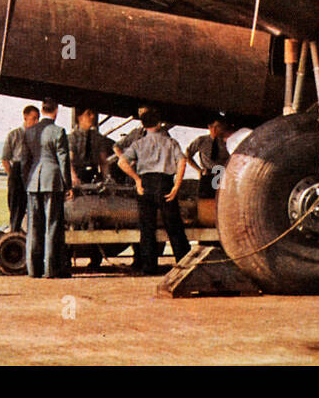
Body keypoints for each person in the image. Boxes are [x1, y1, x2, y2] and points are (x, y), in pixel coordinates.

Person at [116, 107, 190, 275]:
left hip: (146, 184)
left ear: (143, 124)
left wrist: (137, 179)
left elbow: (121, 162)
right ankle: (184, 265)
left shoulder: (138, 144)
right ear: (159, 123)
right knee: (174, 227)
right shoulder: (170, 142)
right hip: (164, 184)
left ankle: (149, 267)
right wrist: (176, 186)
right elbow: (182, 161)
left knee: (147, 228)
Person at [21, 98, 72, 278]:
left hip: (33, 181)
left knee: (34, 226)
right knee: (53, 225)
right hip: (53, 180)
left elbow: (24, 161)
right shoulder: (59, 131)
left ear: (42, 110)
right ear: (56, 110)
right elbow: (63, 160)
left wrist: (26, 181)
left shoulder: (29, 132)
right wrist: (68, 184)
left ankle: (33, 269)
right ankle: (52, 269)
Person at [0, 105, 38, 233]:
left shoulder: (38, 136)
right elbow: (5, 159)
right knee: (16, 209)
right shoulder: (14, 135)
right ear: (25, 117)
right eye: (34, 118)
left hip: (32, 171)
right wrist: (12, 176)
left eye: (38, 119)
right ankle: (14, 234)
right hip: (17, 171)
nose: (36, 122)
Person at [185, 116, 235, 200]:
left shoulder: (226, 142)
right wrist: (199, 170)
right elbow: (187, 155)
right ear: (210, 127)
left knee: (221, 200)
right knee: (205, 200)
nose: (216, 129)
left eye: (219, 126)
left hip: (221, 174)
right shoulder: (201, 140)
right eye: (214, 127)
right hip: (207, 175)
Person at [68, 105, 113, 185]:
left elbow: (103, 161)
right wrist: (73, 177)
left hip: (94, 176)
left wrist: (107, 178)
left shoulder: (98, 137)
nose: (92, 117)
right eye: (88, 114)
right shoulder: (72, 137)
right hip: (77, 175)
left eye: (93, 114)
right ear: (80, 117)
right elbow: (69, 160)